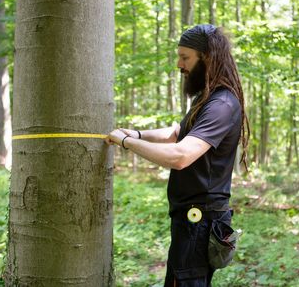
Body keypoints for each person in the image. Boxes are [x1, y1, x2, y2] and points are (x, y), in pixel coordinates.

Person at [105, 24, 249, 287]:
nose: (179, 64)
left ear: (206, 58)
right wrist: (137, 134)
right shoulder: (207, 98)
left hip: (200, 221)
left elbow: (181, 155)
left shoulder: (221, 104)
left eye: (185, 57)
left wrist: (125, 143)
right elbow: (177, 133)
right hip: (192, 220)